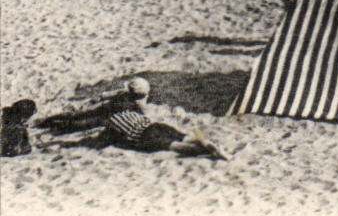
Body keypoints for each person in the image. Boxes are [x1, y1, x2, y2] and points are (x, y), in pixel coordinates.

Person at [41, 78, 227, 159]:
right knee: (184, 136)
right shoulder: (139, 106)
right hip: (155, 125)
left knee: (176, 147)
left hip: (145, 135)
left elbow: (102, 138)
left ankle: (205, 151)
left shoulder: (112, 117)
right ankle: (205, 143)